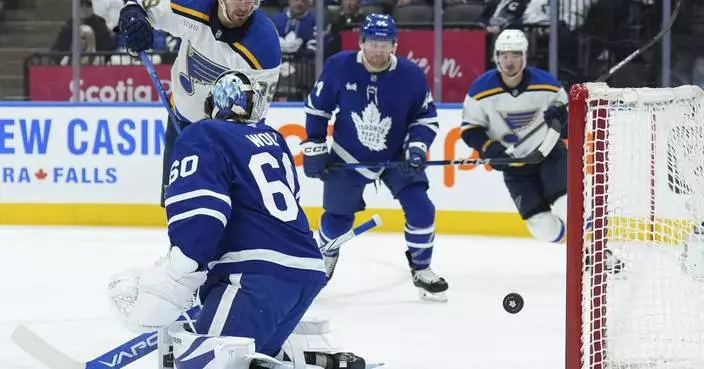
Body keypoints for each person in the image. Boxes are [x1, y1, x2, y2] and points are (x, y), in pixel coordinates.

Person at [108, 71, 366, 369]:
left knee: (203, 361)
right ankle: (318, 361)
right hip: (306, 272)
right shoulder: (274, 138)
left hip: (252, 277)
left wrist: (180, 270)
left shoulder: (202, 134)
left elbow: (202, 213)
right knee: (253, 355)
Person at [301, 13, 449, 302]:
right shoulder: (339, 66)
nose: (378, 50)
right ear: (361, 42)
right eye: (372, 43)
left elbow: (425, 117)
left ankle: (422, 269)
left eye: (385, 43)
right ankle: (327, 253)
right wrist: (316, 145)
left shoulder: (410, 74)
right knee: (336, 221)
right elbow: (318, 109)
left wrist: (417, 147)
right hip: (348, 153)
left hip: (395, 154)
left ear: (395, 44)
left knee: (421, 207)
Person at [117, 0, 281, 207]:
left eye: (252, 0)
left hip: (225, 142)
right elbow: (140, 6)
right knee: (177, 207)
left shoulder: (264, 45)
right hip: (181, 123)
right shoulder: (191, 5)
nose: (245, 6)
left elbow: (254, 116)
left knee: (223, 211)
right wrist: (134, 16)